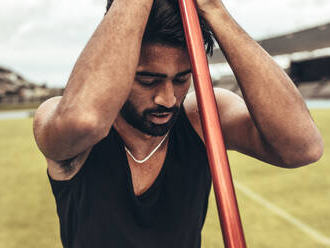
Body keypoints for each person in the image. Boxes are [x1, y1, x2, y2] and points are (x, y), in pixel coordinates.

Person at [33, 0, 324, 247]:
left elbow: (302, 147)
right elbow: (85, 120)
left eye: (182, 78)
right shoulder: (60, 122)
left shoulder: (204, 117)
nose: (168, 98)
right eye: (148, 80)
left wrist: (214, 10)